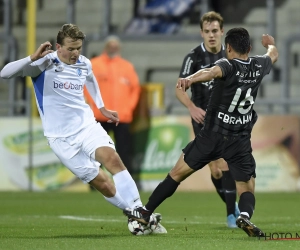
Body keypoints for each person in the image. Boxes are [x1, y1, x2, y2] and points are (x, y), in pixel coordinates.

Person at [0, 23, 166, 234]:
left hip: (86, 126)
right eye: (70, 48)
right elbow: (4, 73)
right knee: (102, 182)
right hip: (60, 138)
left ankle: (140, 212)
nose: (75, 53)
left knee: (113, 159)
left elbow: (90, 80)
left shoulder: (84, 63)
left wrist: (102, 107)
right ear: (58, 47)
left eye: (78, 48)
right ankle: (134, 214)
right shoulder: (43, 64)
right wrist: (31, 58)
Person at [124, 28, 278, 237]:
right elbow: (273, 54)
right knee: (247, 187)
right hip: (239, 140)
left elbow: (211, 72)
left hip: (211, 136)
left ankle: (146, 211)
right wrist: (269, 43)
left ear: (228, 47)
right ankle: (244, 215)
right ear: (249, 48)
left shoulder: (227, 65)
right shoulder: (259, 65)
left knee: (176, 175)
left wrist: (190, 79)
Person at [176, 11, 239, 228]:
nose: (211, 35)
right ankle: (234, 209)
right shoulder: (193, 58)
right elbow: (180, 88)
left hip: (226, 118)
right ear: (201, 33)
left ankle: (232, 215)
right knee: (215, 169)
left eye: (215, 31)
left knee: (225, 163)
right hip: (202, 119)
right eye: (207, 31)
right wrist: (191, 107)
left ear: (222, 31)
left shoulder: (231, 56)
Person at [84, 35, 141, 177]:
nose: (113, 47)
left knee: (123, 152)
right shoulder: (94, 65)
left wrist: (129, 108)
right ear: (105, 46)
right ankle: (96, 182)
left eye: (115, 45)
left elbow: (135, 89)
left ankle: (127, 183)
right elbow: (85, 87)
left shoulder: (126, 66)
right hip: (99, 116)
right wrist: (93, 106)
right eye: (110, 44)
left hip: (121, 117)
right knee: (97, 151)